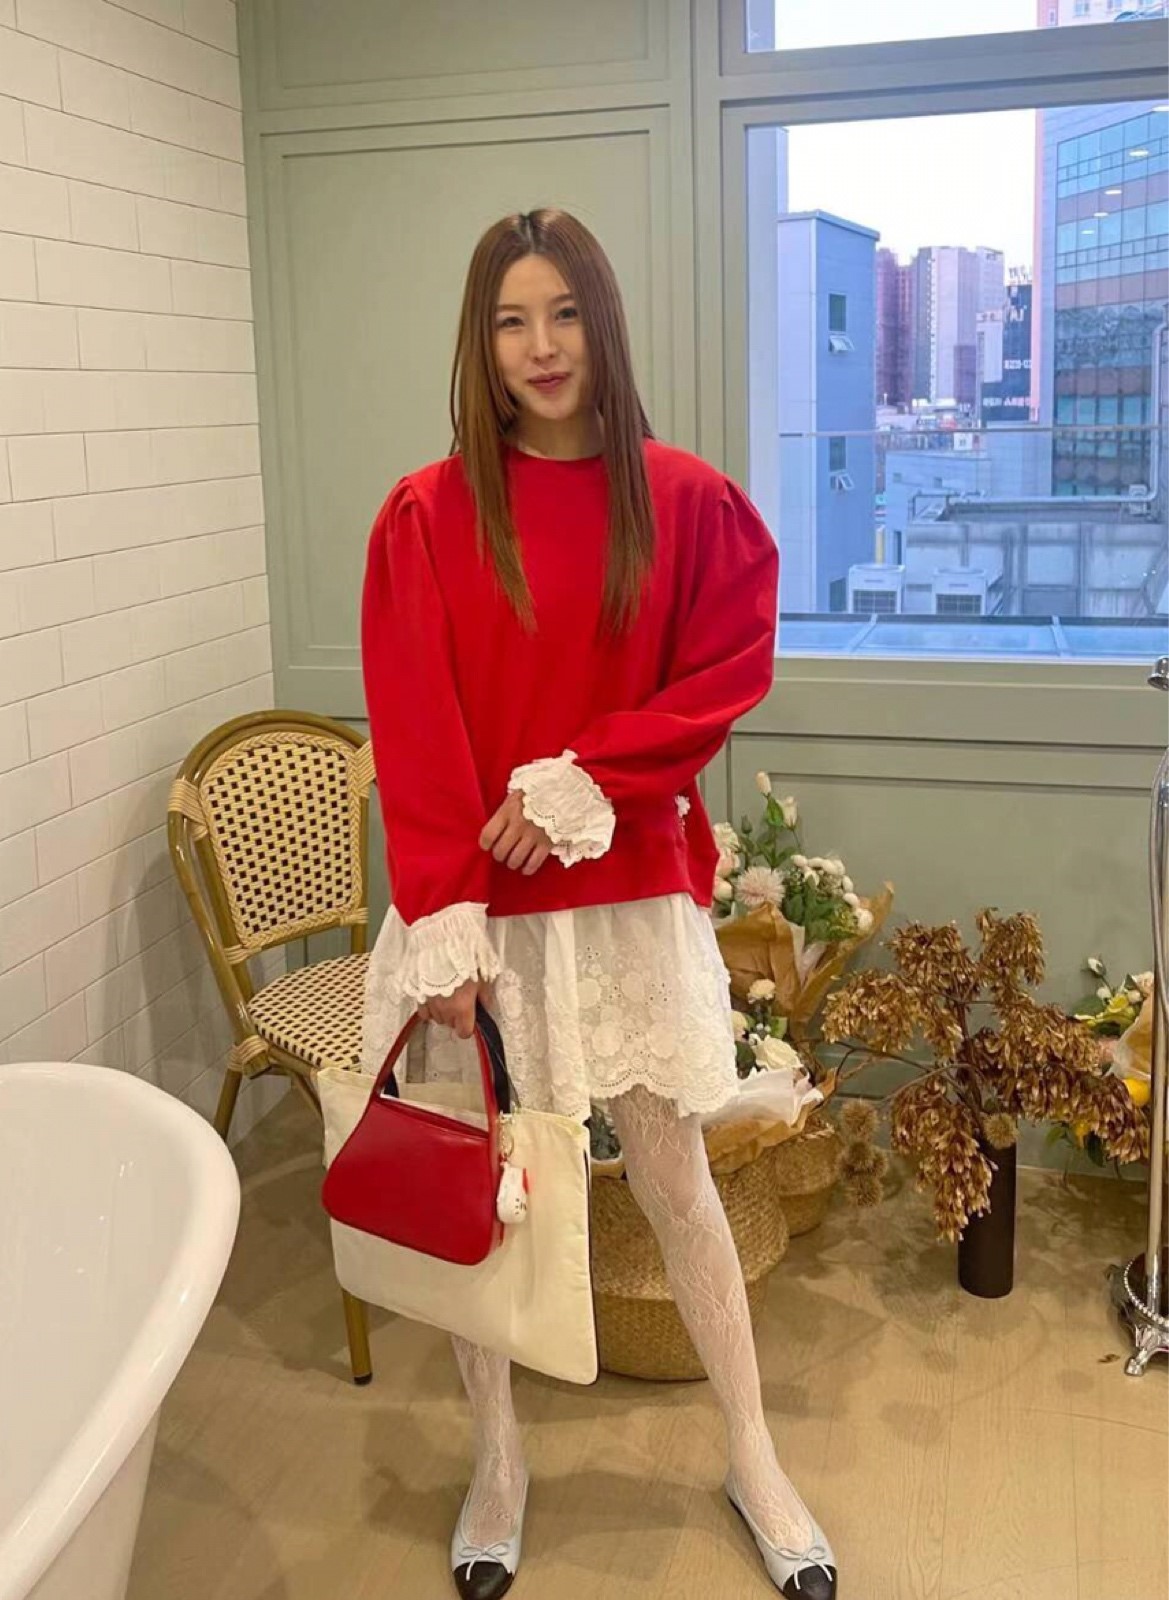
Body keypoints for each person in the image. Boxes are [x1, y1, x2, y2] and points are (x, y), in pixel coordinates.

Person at [358, 208, 837, 1600]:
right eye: (511, 320)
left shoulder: (682, 502)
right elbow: (418, 728)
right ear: (481, 342)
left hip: (625, 899)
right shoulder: (427, 515)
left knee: (677, 1182)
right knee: (487, 1187)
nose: (541, 346)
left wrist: (593, 775)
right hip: (481, 915)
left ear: (602, 324)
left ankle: (753, 1451)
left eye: (563, 312)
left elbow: (728, 667)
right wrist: (442, 925)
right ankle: (498, 1458)